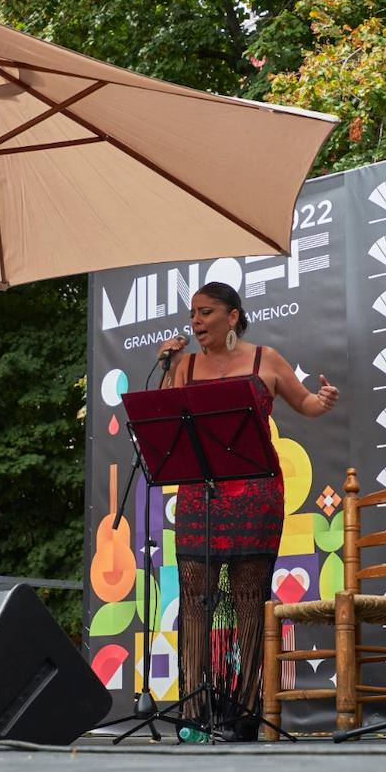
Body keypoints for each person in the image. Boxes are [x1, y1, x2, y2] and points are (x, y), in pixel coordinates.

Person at [155, 281, 340, 740]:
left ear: (233, 315)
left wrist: (324, 400)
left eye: (206, 312)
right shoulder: (185, 364)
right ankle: (196, 709)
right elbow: (160, 415)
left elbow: (307, 404)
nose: (195, 321)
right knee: (196, 599)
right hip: (200, 493)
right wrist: (166, 363)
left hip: (256, 493)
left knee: (246, 599)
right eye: (192, 313)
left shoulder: (265, 359)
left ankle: (244, 709)